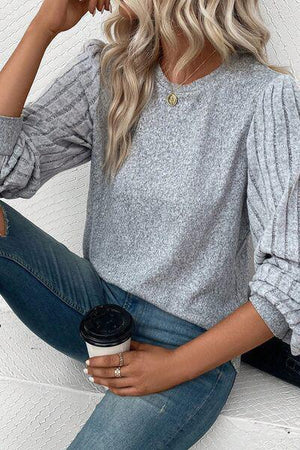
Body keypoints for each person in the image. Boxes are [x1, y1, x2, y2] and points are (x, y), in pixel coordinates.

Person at [0, 0, 299, 448]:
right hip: (93, 313)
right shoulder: (108, 72)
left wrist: (174, 366)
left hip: (189, 344)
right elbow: (6, 170)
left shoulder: (264, 98)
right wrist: (44, 26)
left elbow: (291, 273)